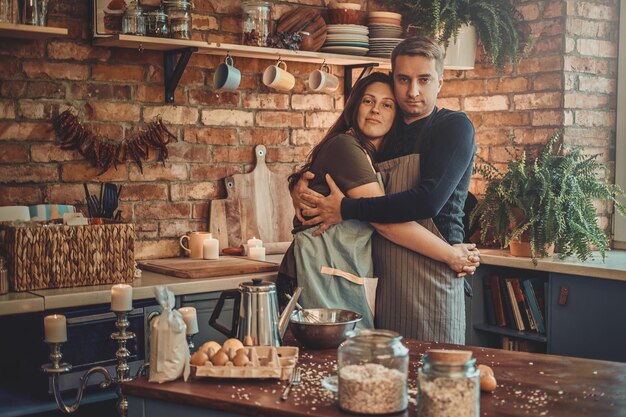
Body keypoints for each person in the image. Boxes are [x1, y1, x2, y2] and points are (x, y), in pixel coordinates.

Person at [292, 37, 477, 344]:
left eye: (424, 80)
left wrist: (345, 209)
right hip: (385, 277)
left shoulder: (453, 127)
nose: (413, 91)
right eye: (403, 79)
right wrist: (299, 189)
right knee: (386, 379)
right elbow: (343, 171)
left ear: (440, 82)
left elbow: (428, 201)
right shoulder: (387, 132)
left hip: (433, 275)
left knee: (432, 379)